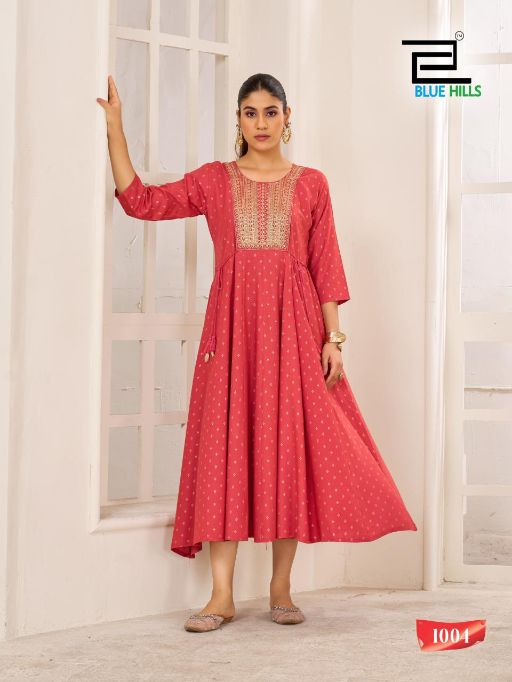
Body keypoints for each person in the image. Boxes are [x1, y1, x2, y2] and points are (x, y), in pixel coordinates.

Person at [97, 72, 417, 633]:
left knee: (285, 451)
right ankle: (220, 595)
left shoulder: (312, 184)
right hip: (231, 335)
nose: (261, 123)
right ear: (238, 119)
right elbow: (141, 201)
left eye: (271, 112)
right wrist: (115, 127)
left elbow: (326, 266)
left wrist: (334, 339)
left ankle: (280, 588)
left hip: (294, 335)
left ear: (288, 117)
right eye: (251, 112)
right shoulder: (214, 181)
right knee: (224, 451)